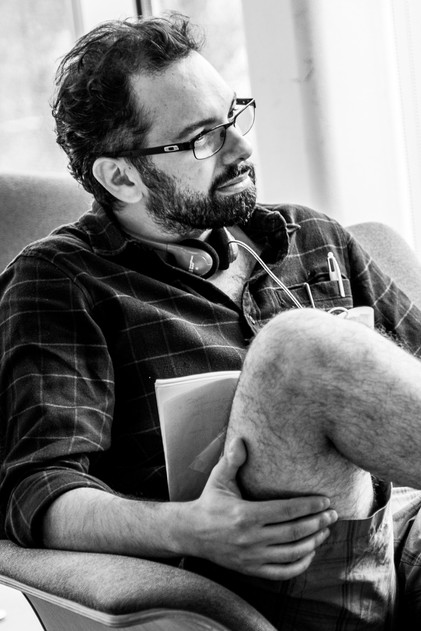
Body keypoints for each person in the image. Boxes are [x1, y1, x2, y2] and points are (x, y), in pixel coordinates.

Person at [1, 12, 421, 630]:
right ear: (121, 176)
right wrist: (193, 529)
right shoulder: (60, 282)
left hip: (406, 533)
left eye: (233, 117)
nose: (241, 148)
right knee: (297, 347)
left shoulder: (311, 236)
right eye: (203, 139)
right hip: (284, 570)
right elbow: (37, 491)